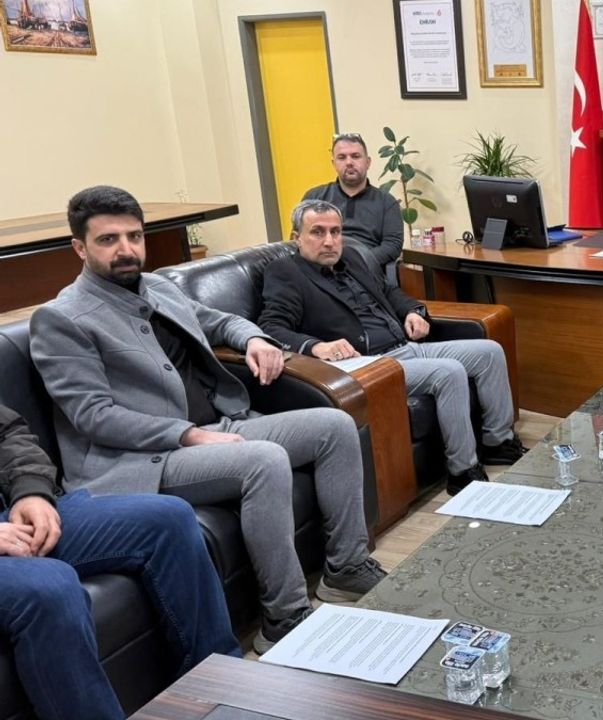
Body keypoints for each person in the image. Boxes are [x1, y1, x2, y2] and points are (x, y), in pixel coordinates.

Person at [29, 186, 385, 654]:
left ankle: (346, 567)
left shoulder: (156, 287)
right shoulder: (61, 318)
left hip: (217, 425)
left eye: (134, 236)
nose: (126, 249)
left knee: (333, 426)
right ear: (79, 247)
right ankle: (284, 617)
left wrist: (254, 338)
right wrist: (188, 435)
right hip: (141, 459)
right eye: (108, 240)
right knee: (264, 461)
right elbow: (94, 416)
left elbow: (219, 322)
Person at [258, 199, 526, 494]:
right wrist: (315, 346)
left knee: (489, 352)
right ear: (296, 238)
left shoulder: (352, 258)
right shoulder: (285, 272)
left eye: (335, 232)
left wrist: (413, 311)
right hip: (370, 364)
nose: (330, 241)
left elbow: (388, 291)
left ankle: (498, 442)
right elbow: (271, 327)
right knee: (448, 372)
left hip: (405, 346)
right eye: (317, 232)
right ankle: (463, 472)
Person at [0, 402, 238, 720]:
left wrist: (30, 490)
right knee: (50, 586)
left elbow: (8, 432)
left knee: (169, 519)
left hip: (10, 516)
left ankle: (224, 698)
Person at [303, 132, 404, 286]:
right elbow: (299, 239)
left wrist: (354, 263)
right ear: (334, 163)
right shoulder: (314, 197)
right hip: (320, 272)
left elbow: (392, 245)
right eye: (342, 157)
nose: (349, 162)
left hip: (366, 274)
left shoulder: (386, 202)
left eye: (356, 156)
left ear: (368, 162)